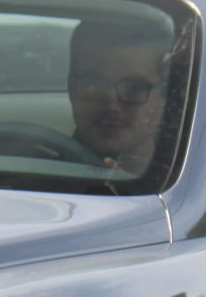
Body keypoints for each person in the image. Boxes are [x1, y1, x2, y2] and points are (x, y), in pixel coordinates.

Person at [66, 18, 178, 180]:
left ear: (165, 95)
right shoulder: (32, 172)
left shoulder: (189, 190)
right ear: (71, 86)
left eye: (133, 88)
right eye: (94, 84)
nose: (111, 105)